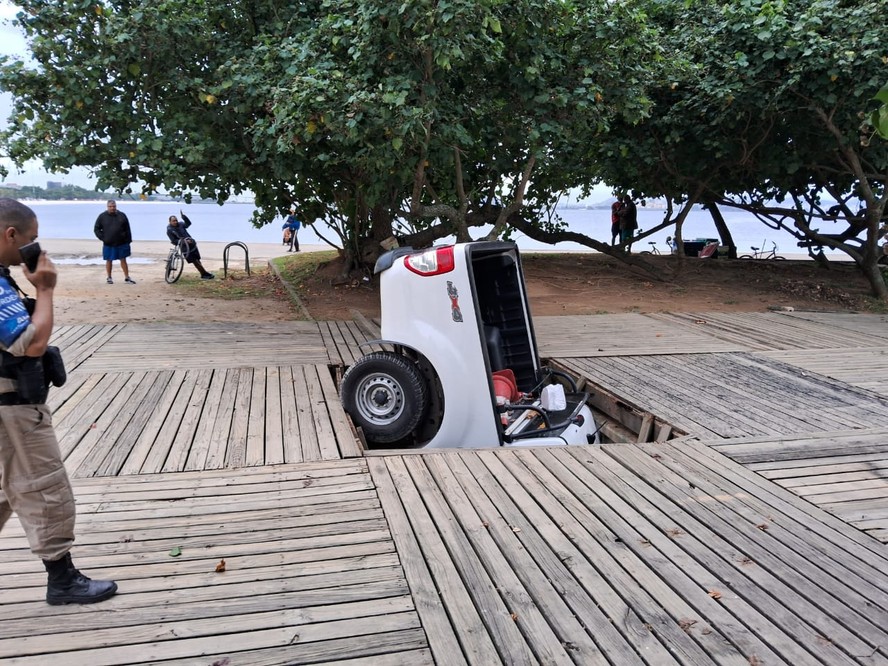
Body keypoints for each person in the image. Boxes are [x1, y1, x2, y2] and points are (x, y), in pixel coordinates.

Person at [0, 198, 118, 605]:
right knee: (45, 487)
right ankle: (63, 579)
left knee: (4, 489)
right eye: (30, 240)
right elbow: (30, 344)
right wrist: (45, 290)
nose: (34, 248)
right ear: (9, 234)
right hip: (13, 406)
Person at [93, 199, 135, 285]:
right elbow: (96, 229)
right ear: (107, 207)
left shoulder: (122, 215)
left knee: (123, 259)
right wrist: (103, 238)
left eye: (114, 206)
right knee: (109, 260)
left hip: (122, 242)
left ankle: (127, 277)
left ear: (116, 206)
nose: (112, 208)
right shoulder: (102, 216)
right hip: (108, 242)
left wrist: (128, 241)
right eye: (110, 206)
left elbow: (127, 229)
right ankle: (109, 277)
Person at [166, 212, 215, 279]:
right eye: (173, 221)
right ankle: (204, 274)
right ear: (170, 222)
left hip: (192, 245)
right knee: (195, 261)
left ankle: (203, 274)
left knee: (197, 259)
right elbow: (174, 241)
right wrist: (184, 242)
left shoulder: (181, 224)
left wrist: (184, 217)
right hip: (185, 248)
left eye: (176, 220)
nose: (175, 222)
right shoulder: (169, 230)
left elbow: (188, 224)